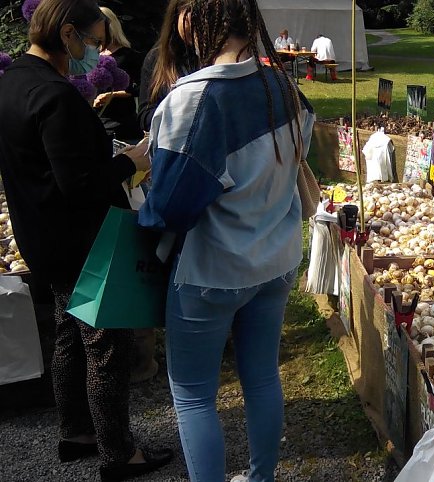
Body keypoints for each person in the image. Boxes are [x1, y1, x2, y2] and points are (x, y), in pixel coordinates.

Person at [138, 0, 313, 480]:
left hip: (210, 271)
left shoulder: (192, 100)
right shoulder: (284, 86)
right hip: (274, 263)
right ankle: (261, 477)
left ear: (192, 19)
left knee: (193, 395)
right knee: (261, 376)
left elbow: (170, 209)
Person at [0, 1, 173, 481]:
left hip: (39, 234)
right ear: (68, 34)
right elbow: (79, 182)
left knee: (67, 334)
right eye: (94, 41)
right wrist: (131, 162)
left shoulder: (12, 81)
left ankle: (76, 430)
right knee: (105, 345)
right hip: (81, 241)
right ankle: (119, 454)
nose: (96, 52)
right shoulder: (54, 95)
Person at [137, 0, 198, 133]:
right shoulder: (158, 57)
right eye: (191, 18)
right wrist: (180, 114)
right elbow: (144, 116)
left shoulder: (218, 56)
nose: (196, 28)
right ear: (175, 15)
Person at [93, 6, 144, 142]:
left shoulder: (128, 56)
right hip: (95, 127)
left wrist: (112, 95)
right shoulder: (88, 56)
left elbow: (141, 88)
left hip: (121, 128)